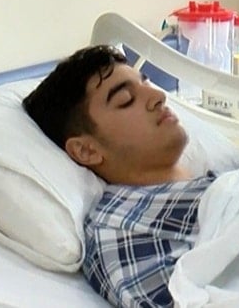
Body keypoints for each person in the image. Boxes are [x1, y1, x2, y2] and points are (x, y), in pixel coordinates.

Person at [23, 45, 208, 308]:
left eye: (147, 83)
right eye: (125, 100)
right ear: (86, 150)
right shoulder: (120, 227)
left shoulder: (222, 184)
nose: (158, 96)